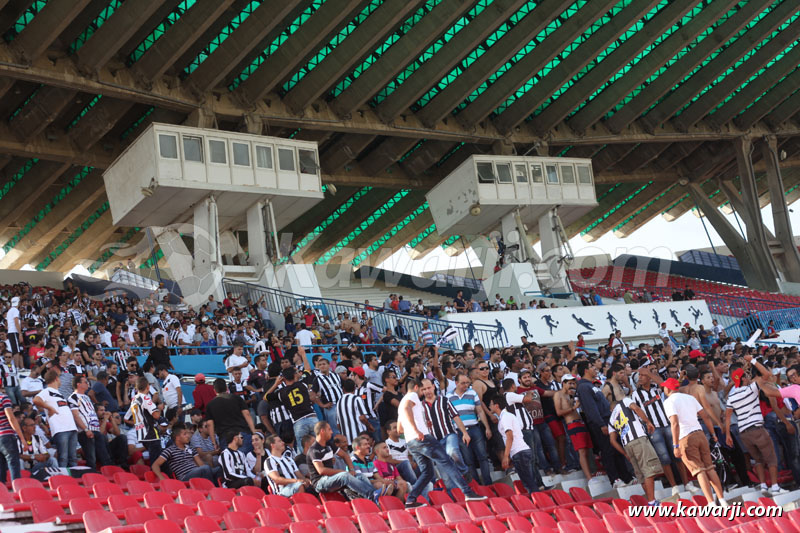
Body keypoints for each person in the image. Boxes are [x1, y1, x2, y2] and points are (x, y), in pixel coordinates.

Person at [398, 378, 486, 508]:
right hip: (423, 439)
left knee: (427, 473)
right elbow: (407, 409)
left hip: (411, 442)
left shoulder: (401, 402)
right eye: (422, 389)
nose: (423, 392)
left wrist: (416, 427)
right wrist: (417, 430)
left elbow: (400, 428)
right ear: (416, 387)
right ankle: (468, 492)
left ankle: (411, 500)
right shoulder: (412, 396)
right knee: (448, 463)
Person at [724, 356, 788, 495]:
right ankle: (775, 487)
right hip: (757, 429)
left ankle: (764, 486)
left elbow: (727, 417)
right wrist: (752, 360)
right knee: (771, 458)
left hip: (744, 433)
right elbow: (766, 374)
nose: (748, 377)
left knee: (758, 460)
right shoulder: (751, 389)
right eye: (746, 376)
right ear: (743, 379)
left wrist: (728, 435)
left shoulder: (732, 397)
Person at [662, 377, 728, 506]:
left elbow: (674, 423)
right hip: (700, 433)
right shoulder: (689, 398)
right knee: (710, 468)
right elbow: (705, 416)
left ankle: (711, 503)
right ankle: (722, 500)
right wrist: (713, 434)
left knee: (699, 471)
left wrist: (675, 445)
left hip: (685, 437)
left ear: (668, 389)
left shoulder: (669, 402)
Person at [575, 360, 632, 488]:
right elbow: (591, 409)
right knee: (607, 451)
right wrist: (601, 424)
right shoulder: (584, 387)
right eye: (591, 366)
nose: (595, 368)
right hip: (601, 423)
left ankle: (626, 477)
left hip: (609, 421)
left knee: (616, 449)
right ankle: (615, 480)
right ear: (585, 370)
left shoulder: (591, 385)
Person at [608, 394, 663, 506]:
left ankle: (651, 501)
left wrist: (624, 453)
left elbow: (612, 441)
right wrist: (648, 422)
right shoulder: (624, 401)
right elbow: (636, 408)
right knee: (649, 470)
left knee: (641, 475)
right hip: (638, 439)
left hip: (627, 445)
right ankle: (652, 502)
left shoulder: (611, 419)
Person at [307, 420, 377, 501]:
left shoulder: (329, 445)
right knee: (344, 475)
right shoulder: (314, 449)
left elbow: (345, 455)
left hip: (332, 479)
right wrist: (342, 472)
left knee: (360, 476)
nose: (332, 432)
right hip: (320, 483)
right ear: (322, 431)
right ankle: (372, 495)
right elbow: (321, 470)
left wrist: (351, 470)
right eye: (329, 429)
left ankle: (375, 496)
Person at [449, 373, 492, 485]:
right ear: (456, 383)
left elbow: (480, 411)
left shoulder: (472, 393)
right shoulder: (448, 397)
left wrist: (487, 427)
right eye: (463, 383)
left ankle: (488, 483)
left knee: (483, 457)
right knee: (468, 460)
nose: (466, 385)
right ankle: (476, 484)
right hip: (459, 431)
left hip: (474, 428)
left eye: (468, 383)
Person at [491, 394, 539, 493]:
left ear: (496, 406)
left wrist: (505, 456)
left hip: (519, 452)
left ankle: (539, 501)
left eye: (491, 404)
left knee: (529, 483)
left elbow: (510, 436)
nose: (489, 407)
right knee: (528, 482)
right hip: (520, 452)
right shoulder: (506, 416)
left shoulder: (505, 417)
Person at [34, 369, 78, 468]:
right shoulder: (46, 391)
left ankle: (73, 480)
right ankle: (63, 478)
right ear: (56, 379)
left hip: (71, 427)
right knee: (63, 457)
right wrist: (49, 408)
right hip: (60, 428)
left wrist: (47, 408)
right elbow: (36, 400)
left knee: (73, 457)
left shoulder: (58, 393)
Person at [69, 376, 112, 470]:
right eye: (85, 382)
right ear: (78, 384)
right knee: (91, 457)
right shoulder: (73, 397)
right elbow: (76, 416)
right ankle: (91, 476)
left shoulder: (87, 397)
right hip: (85, 431)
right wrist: (86, 429)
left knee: (104, 454)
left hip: (95, 429)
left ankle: (108, 472)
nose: (87, 384)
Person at [555, 374, 592, 481]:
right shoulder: (559, 395)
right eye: (569, 383)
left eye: (573, 383)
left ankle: (591, 474)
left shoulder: (574, 394)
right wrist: (574, 407)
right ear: (563, 384)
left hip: (581, 422)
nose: (572, 385)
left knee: (587, 450)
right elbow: (559, 412)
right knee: (582, 451)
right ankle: (589, 477)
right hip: (572, 424)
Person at [206, 378, 256, 455]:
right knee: (248, 461)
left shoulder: (210, 405)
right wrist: (254, 431)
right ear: (226, 387)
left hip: (225, 437)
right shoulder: (237, 398)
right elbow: (247, 414)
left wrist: (214, 442)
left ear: (214, 390)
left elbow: (210, 424)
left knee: (232, 462)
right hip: (242, 433)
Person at [152, 423, 216, 483]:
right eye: (185, 434)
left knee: (219, 470)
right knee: (205, 468)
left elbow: (201, 464)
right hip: (185, 477)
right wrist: (161, 477)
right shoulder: (170, 450)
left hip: (197, 472)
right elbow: (155, 465)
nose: (188, 436)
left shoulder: (191, 448)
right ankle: (212, 490)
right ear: (177, 437)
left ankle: (217, 489)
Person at [125, 376, 162, 463]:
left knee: (155, 460)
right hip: (151, 434)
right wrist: (159, 409)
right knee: (156, 461)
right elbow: (156, 416)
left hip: (141, 435)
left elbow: (126, 419)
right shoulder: (146, 398)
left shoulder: (134, 400)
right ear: (148, 387)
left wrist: (138, 423)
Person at [312, 356, 341, 435]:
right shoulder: (317, 379)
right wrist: (322, 405)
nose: (322, 366)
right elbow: (312, 395)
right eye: (320, 365)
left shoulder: (336, 375)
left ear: (329, 365)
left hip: (341, 404)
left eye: (324, 364)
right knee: (335, 430)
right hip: (331, 407)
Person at [336, 378, 371, 444]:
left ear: (343, 389)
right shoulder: (356, 399)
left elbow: (338, 424)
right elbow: (362, 417)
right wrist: (369, 426)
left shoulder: (339, 402)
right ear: (355, 388)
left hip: (347, 440)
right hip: (359, 438)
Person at [0, 390, 25, 481]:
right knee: (14, 464)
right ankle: (17, 492)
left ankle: (2, 493)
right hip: (6, 436)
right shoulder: (4, 398)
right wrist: (22, 438)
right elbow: (11, 418)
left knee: (1, 469)